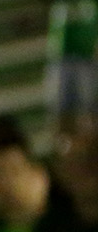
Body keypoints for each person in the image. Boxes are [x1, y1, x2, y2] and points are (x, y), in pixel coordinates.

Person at [47, 0, 98, 133]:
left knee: (88, 107)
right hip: (60, 60)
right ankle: (64, 143)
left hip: (87, 59)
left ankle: (90, 145)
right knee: (61, 108)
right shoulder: (61, 5)